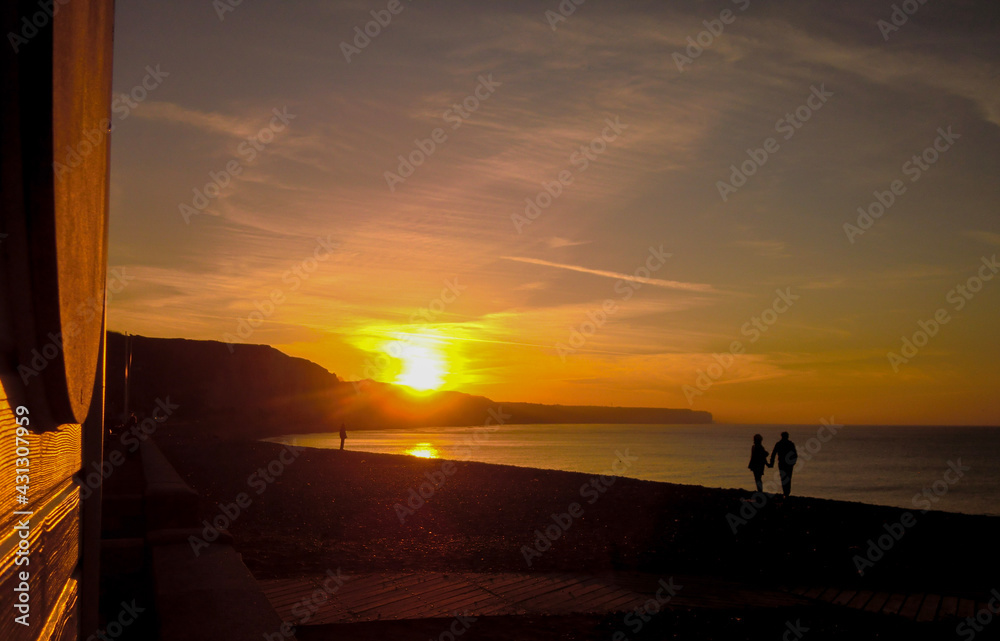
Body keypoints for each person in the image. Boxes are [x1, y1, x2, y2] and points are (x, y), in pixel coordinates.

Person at [769, 431, 798, 497]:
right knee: (788, 477)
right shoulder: (790, 444)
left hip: (782, 463)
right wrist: (793, 462)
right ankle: (787, 492)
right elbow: (795, 454)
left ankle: (785, 492)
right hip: (788, 464)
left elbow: (773, 454)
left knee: (783, 478)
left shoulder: (779, 444)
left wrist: (771, 463)